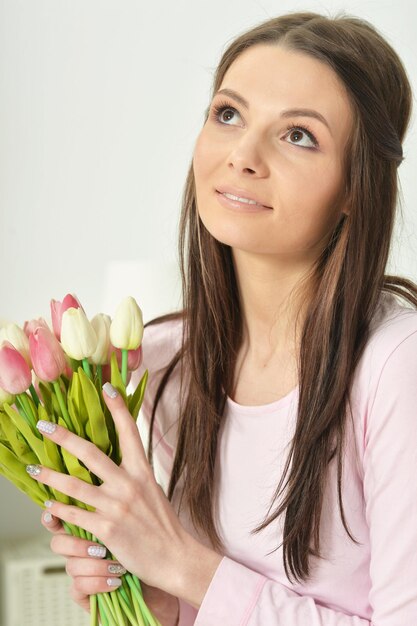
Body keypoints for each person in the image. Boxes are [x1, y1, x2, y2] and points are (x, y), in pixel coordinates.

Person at [34, 10, 417, 625]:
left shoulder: (396, 365)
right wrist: (168, 606)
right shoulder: (166, 360)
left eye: (298, 135)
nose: (242, 154)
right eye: (228, 114)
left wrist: (182, 564)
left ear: (356, 186)